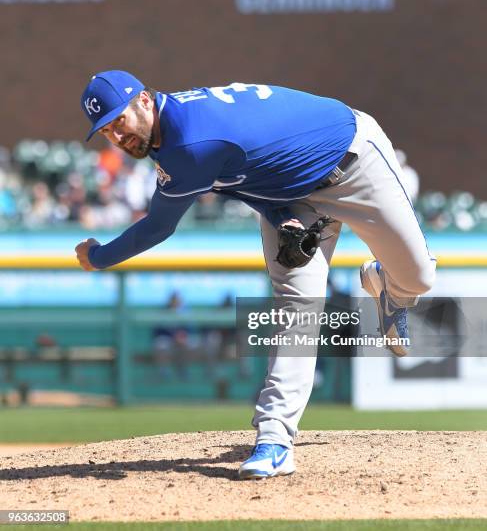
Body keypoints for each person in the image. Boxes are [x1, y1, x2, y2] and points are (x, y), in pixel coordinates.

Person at [75, 70, 436, 480]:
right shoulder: (169, 132)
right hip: (290, 197)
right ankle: (274, 439)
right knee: (297, 308)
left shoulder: (190, 143)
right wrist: (282, 216)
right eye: (105, 131)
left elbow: (159, 226)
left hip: (351, 161)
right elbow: (247, 172)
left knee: (419, 276)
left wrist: (99, 257)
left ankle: (391, 291)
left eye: (118, 121)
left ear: (143, 99)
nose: (117, 137)